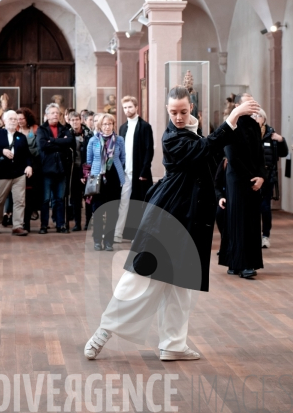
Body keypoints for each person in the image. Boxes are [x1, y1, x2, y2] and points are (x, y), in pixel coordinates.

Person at [84, 86, 259, 361]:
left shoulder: (192, 129)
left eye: (184, 111)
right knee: (139, 277)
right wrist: (233, 116)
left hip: (191, 219)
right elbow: (203, 148)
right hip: (168, 215)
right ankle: (103, 332)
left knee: (181, 286)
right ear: (167, 111)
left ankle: (174, 345)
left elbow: (207, 151)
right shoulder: (172, 138)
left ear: (192, 110)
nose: (178, 117)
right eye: (173, 112)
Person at [219, 93, 266, 279]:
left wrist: (261, 176)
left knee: (252, 221)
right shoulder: (231, 125)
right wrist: (250, 177)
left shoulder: (255, 125)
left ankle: (244, 262)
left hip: (254, 180)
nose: (252, 103)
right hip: (238, 181)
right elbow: (232, 156)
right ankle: (239, 263)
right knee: (238, 221)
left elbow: (260, 155)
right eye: (248, 101)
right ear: (237, 105)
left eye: (253, 100)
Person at [114, 96, 154, 242]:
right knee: (123, 203)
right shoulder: (122, 127)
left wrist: (144, 171)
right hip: (125, 173)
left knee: (138, 203)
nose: (127, 110)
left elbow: (149, 150)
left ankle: (138, 235)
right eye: (125, 107)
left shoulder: (145, 126)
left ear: (136, 107)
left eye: (130, 107)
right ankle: (118, 233)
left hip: (139, 173)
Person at [0, 110, 33, 236]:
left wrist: (29, 166)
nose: (13, 121)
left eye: (15, 119)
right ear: (4, 120)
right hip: (2, 173)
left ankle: (17, 226)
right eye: (11, 119)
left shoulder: (21, 137)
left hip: (19, 174)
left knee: (19, 201)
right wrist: (2, 151)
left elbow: (27, 155)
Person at [85, 113, 125, 251]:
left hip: (114, 179)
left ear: (113, 125)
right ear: (99, 126)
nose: (107, 127)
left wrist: (115, 169)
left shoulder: (119, 140)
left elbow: (123, 158)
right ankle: (97, 240)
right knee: (98, 212)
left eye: (110, 124)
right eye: (104, 124)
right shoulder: (93, 141)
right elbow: (89, 161)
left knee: (113, 213)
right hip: (98, 180)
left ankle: (109, 242)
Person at [37, 103, 74, 234]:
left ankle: (60, 224)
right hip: (47, 169)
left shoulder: (64, 129)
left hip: (61, 169)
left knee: (60, 199)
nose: (55, 115)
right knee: (46, 199)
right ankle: (44, 225)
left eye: (57, 113)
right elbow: (42, 145)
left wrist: (51, 141)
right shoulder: (42, 129)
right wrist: (59, 142)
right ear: (46, 115)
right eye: (52, 113)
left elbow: (69, 142)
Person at [254, 108, 288, 248]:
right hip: (254, 178)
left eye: (258, 116)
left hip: (268, 178)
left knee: (265, 207)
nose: (255, 118)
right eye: (253, 116)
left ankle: (265, 235)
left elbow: (283, 153)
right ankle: (254, 235)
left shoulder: (271, 134)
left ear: (264, 119)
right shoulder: (251, 134)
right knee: (254, 208)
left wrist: (281, 140)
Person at [16, 108, 41, 231]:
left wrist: (26, 152)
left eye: (22, 118)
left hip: (34, 166)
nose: (20, 121)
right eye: (18, 119)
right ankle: (20, 221)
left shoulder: (35, 129)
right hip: (19, 166)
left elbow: (38, 148)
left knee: (30, 194)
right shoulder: (15, 130)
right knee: (20, 196)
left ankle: (29, 219)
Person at [68, 112, 93, 231]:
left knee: (88, 196)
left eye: (77, 119)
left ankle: (88, 222)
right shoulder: (67, 134)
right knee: (75, 198)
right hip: (73, 169)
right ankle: (77, 223)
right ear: (69, 121)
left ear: (81, 120)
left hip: (87, 168)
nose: (75, 122)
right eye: (72, 120)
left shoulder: (89, 134)